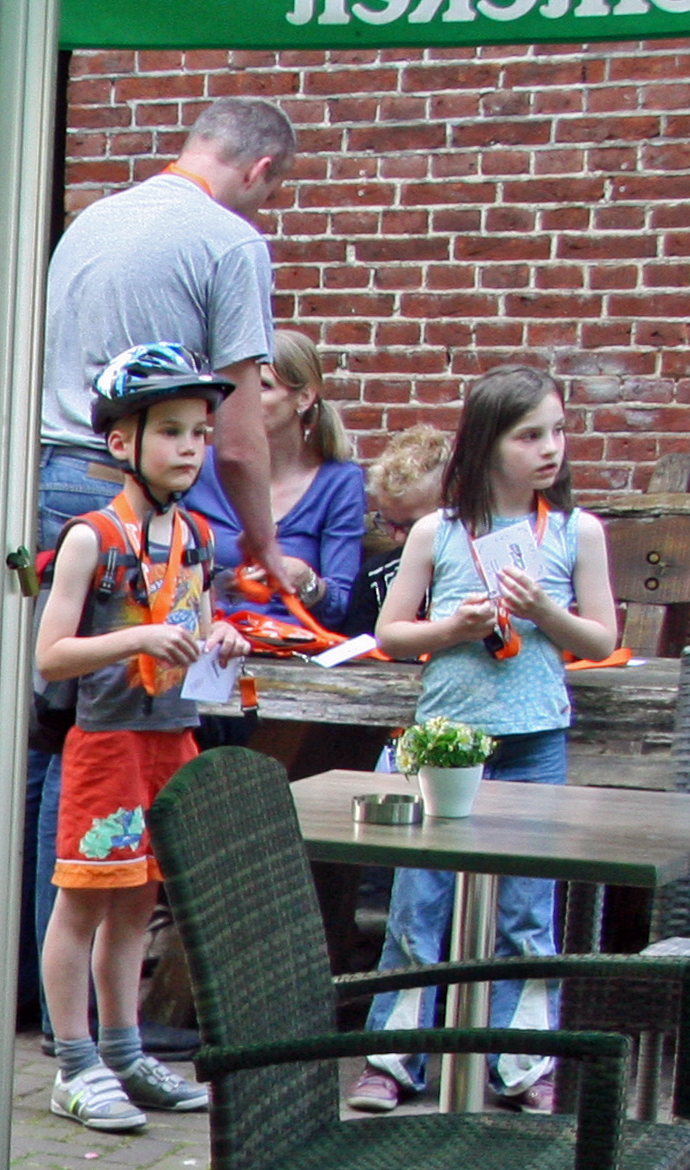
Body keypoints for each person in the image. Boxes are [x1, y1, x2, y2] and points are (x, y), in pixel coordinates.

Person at [28, 98, 306, 1019]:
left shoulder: (93, 220)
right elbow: (240, 437)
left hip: (47, 472)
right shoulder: (231, 241)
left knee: (53, 742)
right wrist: (265, 545)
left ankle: (39, 992)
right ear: (259, 171)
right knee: (101, 736)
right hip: (118, 491)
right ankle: (74, 1019)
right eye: (274, 192)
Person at [353, 366, 618, 1115]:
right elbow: (391, 634)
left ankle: (523, 1065)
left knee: (528, 913)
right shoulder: (438, 531)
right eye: (530, 435)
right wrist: (453, 628)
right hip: (445, 742)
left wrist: (547, 614)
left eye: (557, 432)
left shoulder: (576, 531)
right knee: (418, 905)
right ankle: (393, 1059)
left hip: (534, 740)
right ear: (485, 445)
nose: (550, 448)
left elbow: (601, 638)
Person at [34, 346, 246, 1134]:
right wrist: (137, 639)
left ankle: (123, 1052)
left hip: (171, 740)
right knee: (83, 903)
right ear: (122, 443)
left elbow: (190, 636)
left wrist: (220, 641)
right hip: (107, 744)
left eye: (200, 433)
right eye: (171, 431)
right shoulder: (92, 537)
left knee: (138, 905)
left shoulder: (197, 538)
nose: (190, 447)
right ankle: (74, 1063)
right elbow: (51, 654)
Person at [183, 329, 367, 631]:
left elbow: (341, 608)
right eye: (234, 387)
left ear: (304, 397)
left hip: (293, 646)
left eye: (262, 386)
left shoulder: (339, 482)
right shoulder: (199, 466)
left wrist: (306, 581)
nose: (242, 399)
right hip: (209, 640)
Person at [351, 422, 450, 636]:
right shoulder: (375, 576)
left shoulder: (468, 570)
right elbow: (357, 646)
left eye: (411, 526)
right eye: (387, 523)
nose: (397, 538)